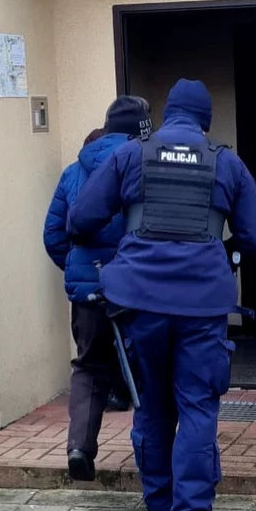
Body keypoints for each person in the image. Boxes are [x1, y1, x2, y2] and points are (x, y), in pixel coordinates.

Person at [68, 79, 256, 511]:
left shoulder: (131, 155)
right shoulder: (226, 162)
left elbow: (80, 219)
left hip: (140, 302)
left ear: (166, 115)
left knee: (152, 402)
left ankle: (160, 504)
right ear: (205, 122)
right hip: (202, 305)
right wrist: (223, 253)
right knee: (198, 405)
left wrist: (126, 248)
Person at [43, 97, 151, 482]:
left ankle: (79, 449)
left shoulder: (74, 171)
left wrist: (78, 269)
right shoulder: (146, 165)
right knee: (147, 366)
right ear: (141, 129)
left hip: (88, 291)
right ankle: (151, 456)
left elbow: (54, 235)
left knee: (89, 366)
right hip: (136, 286)